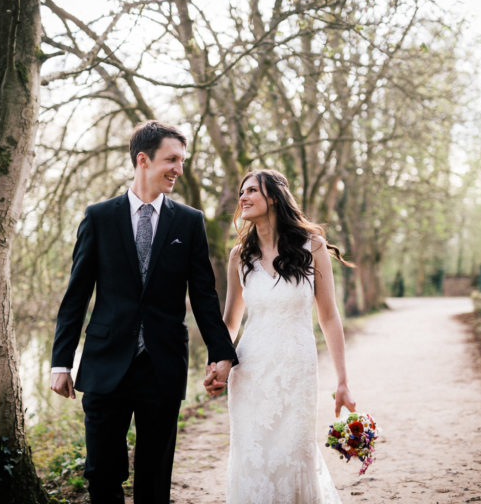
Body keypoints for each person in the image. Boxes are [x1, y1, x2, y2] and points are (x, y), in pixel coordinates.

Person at [50, 120, 238, 504]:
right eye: (172, 159)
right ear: (143, 160)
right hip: (105, 366)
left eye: (182, 161)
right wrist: (60, 363)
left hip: (162, 366)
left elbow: (204, 296)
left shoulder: (190, 221)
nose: (178, 169)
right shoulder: (99, 217)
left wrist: (221, 353)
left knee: (154, 479)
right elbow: (76, 295)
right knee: (102, 473)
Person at [204, 169, 357, 503]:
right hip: (251, 373)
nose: (242, 197)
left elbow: (329, 317)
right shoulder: (238, 256)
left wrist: (343, 380)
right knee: (253, 460)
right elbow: (230, 320)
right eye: (241, 191)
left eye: (251, 191)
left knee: (294, 455)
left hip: (297, 371)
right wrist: (216, 361)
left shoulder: (311, 246)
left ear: (272, 196)